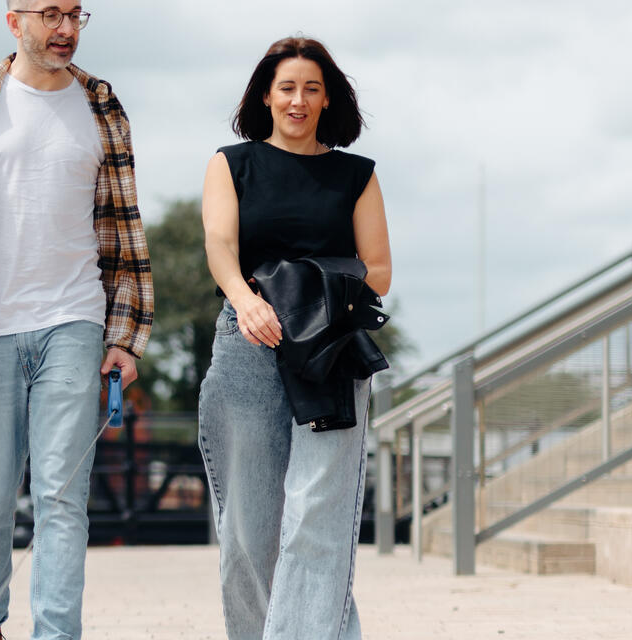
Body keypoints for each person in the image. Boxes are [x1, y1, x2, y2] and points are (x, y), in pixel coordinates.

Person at [0, 2, 152, 638]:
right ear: (14, 20)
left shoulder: (102, 105)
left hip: (73, 318)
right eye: (50, 13)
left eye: (76, 14)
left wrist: (124, 336)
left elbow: (126, 229)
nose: (66, 28)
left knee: (62, 495)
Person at [196, 36, 393, 640]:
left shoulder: (354, 176)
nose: (299, 100)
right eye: (287, 88)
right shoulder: (233, 164)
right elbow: (221, 248)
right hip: (248, 343)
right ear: (266, 95)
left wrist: (305, 291)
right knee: (250, 531)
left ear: (327, 97)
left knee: (316, 520)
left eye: (311, 88)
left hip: (331, 352)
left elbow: (378, 269)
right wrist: (249, 301)